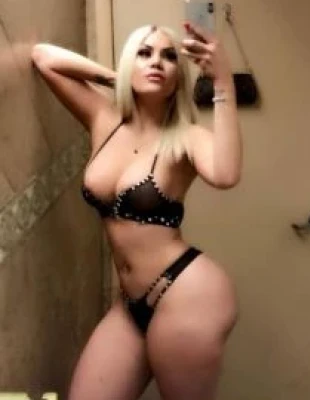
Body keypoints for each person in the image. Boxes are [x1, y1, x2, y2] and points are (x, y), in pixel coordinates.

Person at [31, 21, 242, 400]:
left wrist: (223, 81)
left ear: (178, 78)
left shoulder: (187, 138)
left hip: (187, 295)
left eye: (168, 56)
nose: (156, 62)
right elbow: (44, 58)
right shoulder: (104, 120)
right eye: (144, 53)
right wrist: (119, 79)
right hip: (130, 304)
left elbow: (226, 175)